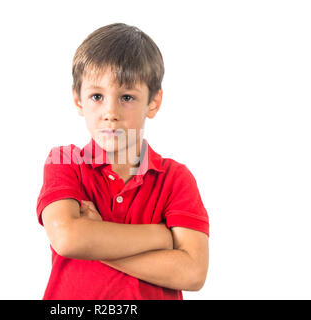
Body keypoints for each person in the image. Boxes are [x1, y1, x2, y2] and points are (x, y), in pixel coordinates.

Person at [35, 23, 209, 300]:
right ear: (78, 100)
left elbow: (192, 272)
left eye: (127, 97)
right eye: (97, 96)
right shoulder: (64, 160)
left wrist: (94, 238)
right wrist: (160, 237)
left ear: (153, 102)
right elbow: (68, 238)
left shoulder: (175, 177)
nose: (110, 112)